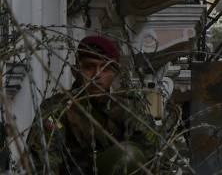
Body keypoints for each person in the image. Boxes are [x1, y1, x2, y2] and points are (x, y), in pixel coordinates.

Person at [27, 35, 158, 174]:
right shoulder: (59, 109)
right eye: (89, 67)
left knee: (130, 154)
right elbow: (43, 158)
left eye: (105, 68)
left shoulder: (128, 108)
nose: (97, 75)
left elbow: (154, 151)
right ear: (75, 71)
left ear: (115, 73)